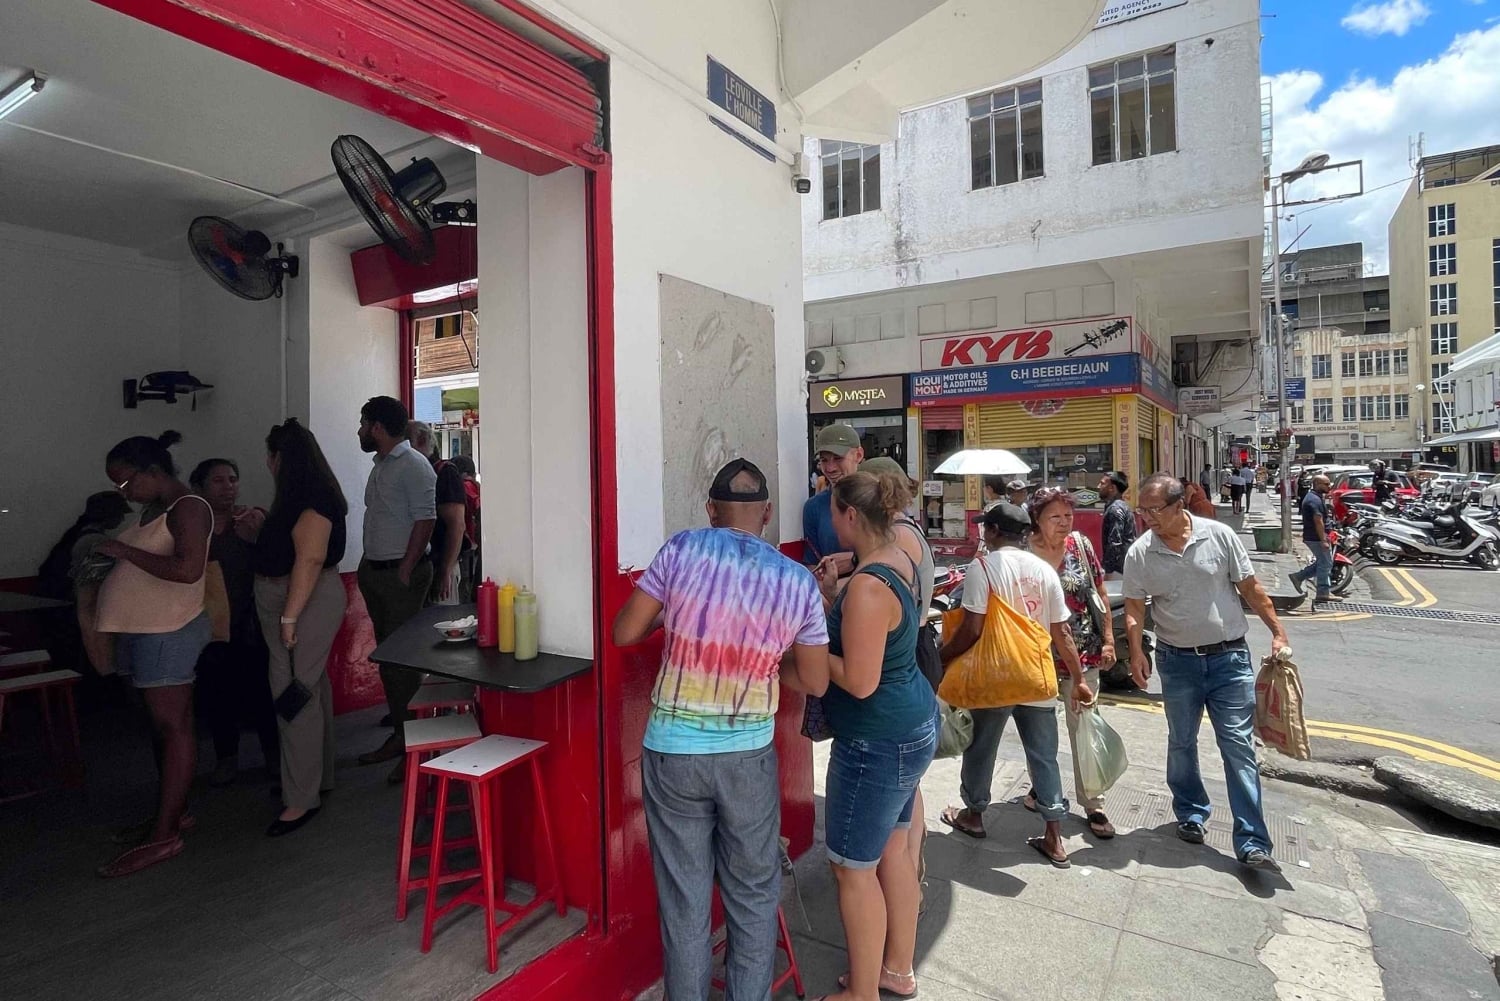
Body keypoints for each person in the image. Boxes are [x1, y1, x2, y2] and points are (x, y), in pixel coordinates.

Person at [612, 459, 829, 1001]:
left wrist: (670, 616)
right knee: (753, 900)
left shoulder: (681, 550)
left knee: (684, 903)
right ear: (768, 513)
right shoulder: (797, 581)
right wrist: (765, 659)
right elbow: (816, 681)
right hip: (746, 758)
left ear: (711, 509)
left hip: (672, 753)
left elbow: (624, 632)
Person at [810, 471, 937, 1001]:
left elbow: (860, 680)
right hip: (909, 723)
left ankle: (862, 993)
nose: (830, 522)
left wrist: (808, 647)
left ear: (850, 516)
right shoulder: (898, 555)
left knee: (851, 869)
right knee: (892, 851)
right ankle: (897, 969)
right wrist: (830, 600)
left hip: (876, 740)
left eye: (833, 512)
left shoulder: (866, 587)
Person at [1122, 473, 1288, 871]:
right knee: (1182, 741)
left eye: (1154, 510)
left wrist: (1278, 632)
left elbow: (1250, 588)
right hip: (1176, 662)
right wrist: (1136, 652)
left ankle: (1252, 842)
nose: (1147, 518)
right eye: (1142, 510)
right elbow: (1134, 608)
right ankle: (1191, 812)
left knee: (1238, 748)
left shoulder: (1219, 536)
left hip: (1229, 660)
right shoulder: (1141, 553)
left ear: (1179, 505)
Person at [938, 503, 1092, 868]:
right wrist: (1079, 679)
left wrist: (941, 658)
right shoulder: (1044, 570)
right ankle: (1054, 834)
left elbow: (972, 629)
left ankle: (974, 815)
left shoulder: (983, 567)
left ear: (993, 532)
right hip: (1036, 675)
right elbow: (1061, 632)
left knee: (981, 747)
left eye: (985, 528)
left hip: (996, 676)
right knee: (1043, 754)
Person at [93, 431, 214, 877]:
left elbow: (187, 569)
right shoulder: (156, 509)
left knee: (174, 729)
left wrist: (123, 551)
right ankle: (172, 814)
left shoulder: (189, 507)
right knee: (162, 730)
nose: (121, 492)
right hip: (144, 632)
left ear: (153, 472)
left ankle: (165, 836)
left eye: (126, 482)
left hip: (168, 631)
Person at [253, 420, 350, 836]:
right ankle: (312, 778)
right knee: (311, 686)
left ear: (279, 458)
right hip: (294, 595)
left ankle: (300, 798)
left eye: (270, 455)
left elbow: (309, 560)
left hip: (301, 599)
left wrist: (289, 618)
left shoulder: (313, 497)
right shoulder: (309, 493)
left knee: (294, 692)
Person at [860, 457, 938, 904]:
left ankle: (908, 873)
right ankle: (910, 873)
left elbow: (883, 592)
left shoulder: (898, 537)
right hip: (913, 654)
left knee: (904, 787)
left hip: (907, 658)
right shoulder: (907, 529)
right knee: (909, 783)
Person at [1025, 487, 1117, 839]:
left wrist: (1109, 639)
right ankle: (1041, 789)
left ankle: (1094, 803)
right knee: (1040, 733)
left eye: (1068, 516)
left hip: (1084, 656)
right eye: (1055, 517)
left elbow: (1100, 592)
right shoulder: (1023, 551)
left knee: (1085, 730)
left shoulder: (1080, 545)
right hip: (1038, 659)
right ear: (1037, 519)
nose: (1064, 523)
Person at [354, 396, 437, 782]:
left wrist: (404, 569)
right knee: (390, 661)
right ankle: (402, 736)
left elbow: (426, 520)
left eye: (362, 424)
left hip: (400, 576)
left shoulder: (413, 465)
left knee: (402, 663)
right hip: (376, 572)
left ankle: (415, 748)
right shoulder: (382, 464)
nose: (359, 431)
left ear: (376, 427)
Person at [188, 458, 277, 788]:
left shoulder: (253, 519)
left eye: (233, 479)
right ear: (198, 488)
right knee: (217, 694)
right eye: (218, 481)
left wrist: (257, 539)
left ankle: (273, 755)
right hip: (209, 625)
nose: (228, 487)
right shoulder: (191, 529)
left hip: (252, 621)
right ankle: (226, 758)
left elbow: (278, 563)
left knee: (263, 691)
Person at [35, 491, 132, 671]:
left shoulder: (75, 536)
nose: (122, 519)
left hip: (61, 615)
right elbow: (95, 591)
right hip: (76, 616)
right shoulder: (95, 542)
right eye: (120, 514)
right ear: (109, 515)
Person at [407, 420, 467, 606]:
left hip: (440, 565)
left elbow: (456, 525)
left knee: (441, 618)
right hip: (418, 567)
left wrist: (445, 570)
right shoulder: (413, 473)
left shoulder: (444, 473)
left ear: (421, 440)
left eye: (406, 441)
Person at [803, 423, 864, 572]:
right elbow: (812, 565)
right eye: (824, 460)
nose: (830, 468)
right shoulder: (814, 507)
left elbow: (901, 554)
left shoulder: (881, 498)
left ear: (858, 455)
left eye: (838, 458)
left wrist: (855, 560)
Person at [1289, 474, 1341, 603]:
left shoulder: (1316, 497)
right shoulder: (1313, 500)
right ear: (1317, 484)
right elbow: (1318, 521)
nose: (1329, 486)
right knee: (1325, 564)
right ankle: (1322, 592)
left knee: (1323, 562)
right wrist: (1323, 539)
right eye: (1326, 484)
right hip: (1316, 537)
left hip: (1317, 536)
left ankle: (1298, 577)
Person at [449, 454, 481, 601]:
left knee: (464, 583)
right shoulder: (475, 486)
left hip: (466, 541)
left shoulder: (464, 486)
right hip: (473, 541)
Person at [1097, 470, 1135, 577]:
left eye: (1102, 483)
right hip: (1123, 569)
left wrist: (1108, 571)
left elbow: (1115, 542)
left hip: (1118, 571)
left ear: (1112, 488)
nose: (1098, 486)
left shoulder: (1115, 509)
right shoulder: (1119, 506)